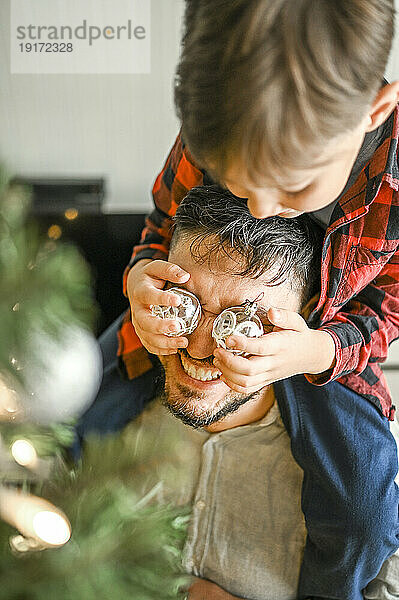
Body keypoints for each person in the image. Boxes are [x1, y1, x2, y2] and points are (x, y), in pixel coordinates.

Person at [117, 2, 399, 597]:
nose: (262, 206)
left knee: (364, 512)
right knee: (73, 404)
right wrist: (140, 277)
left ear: (372, 113)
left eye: (294, 187)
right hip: (208, 287)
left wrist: (318, 349)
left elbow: (389, 310)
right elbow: (159, 227)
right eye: (240, 182)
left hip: (324, 352)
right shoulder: (215, 121)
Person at [70, 187, 399, 600]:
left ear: (304, 316)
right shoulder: (98, 424)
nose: (199, 348)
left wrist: (323, 347)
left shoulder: (354, 487)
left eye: (242, 324)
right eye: (184, 305)